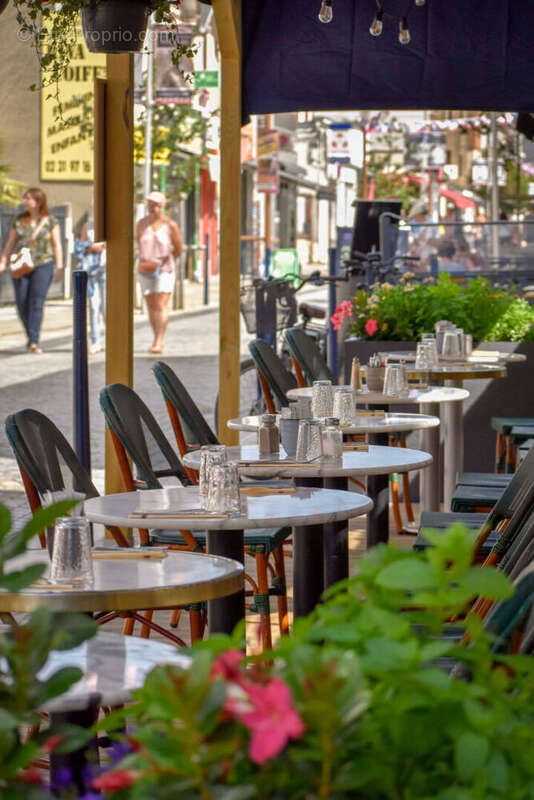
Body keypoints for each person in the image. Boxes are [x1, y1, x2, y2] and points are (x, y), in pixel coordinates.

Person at [0, 187, 63, 353]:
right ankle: (31, 335)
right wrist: (3, 261)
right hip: (21, 265)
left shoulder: (51, 221)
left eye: (28, 198)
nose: (25, 201)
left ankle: (33, 340)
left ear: (38, 201)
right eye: (24, 198)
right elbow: (10, 242)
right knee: (21, 303)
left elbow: (57, 245)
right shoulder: (19, 220)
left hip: (43, 264)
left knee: (36, 302)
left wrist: (59, 267)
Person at [136, 191, 183, 354]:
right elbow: (139, 243)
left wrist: (165, 261)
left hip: (164, 268)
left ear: (162, 206)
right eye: (150, 204)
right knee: (151, 306)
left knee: (161, 305)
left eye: (156, 205)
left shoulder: (170, 225)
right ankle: (155, 335)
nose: (152, 208)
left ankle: (159, 340)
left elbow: (178, 248)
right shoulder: (142, 224)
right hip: (145, 267)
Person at [74, 216, 106, 354]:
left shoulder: (111, 224)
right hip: (91, 271)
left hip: (107, 270)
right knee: (93, 306)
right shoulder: (88, 226)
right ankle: (95, 341)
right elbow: (79, 248)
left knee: (106, 307)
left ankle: (113, 339)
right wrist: (91, 247)